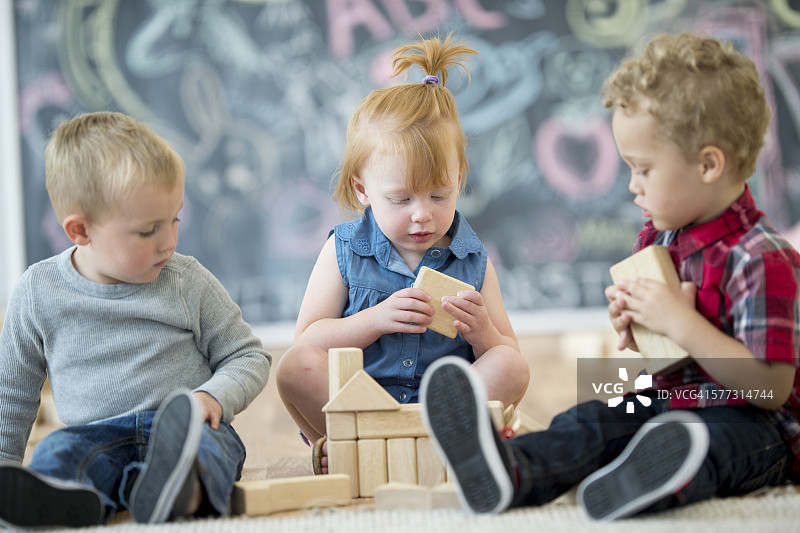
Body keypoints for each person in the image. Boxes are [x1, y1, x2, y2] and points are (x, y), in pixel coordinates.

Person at [420, 32, 800, 520]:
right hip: (671, 402)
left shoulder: (762, 258)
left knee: (713, 443)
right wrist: (642, 329)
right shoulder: (660, 240)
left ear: (708, 164)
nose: (632, 186)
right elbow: (671, 362)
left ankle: (652, 477)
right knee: (595, 418)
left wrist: (680, 323)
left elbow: (771, 387)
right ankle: (512, 471)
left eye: (644, 170)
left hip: (758, 426)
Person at [0, 112, 272, 528]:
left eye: (175, 219)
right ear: (80, 230)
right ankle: (56, 506)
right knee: (56, 452)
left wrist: (213, 397)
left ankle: (184, 492)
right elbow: (12, 394)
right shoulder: (38, 292)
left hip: (185, 431)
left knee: (212, 449)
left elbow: (248, 356)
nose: (170, 242)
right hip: (96, 438)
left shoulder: (187, 280)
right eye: (149, 231)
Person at [275, 34, 529, 467]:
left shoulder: (472, 259)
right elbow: (310, 339)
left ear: (459, 179)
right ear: (363, 190)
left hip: (443, 414)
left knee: (511, 364)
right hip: (362, 408)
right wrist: (374, 320)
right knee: (295, 366)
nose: (422, 215)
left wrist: (482, 332)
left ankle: (431, 449)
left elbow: (506, 351)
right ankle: (357, 448)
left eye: (439, 195)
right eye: (401, 199)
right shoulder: (344, 249)